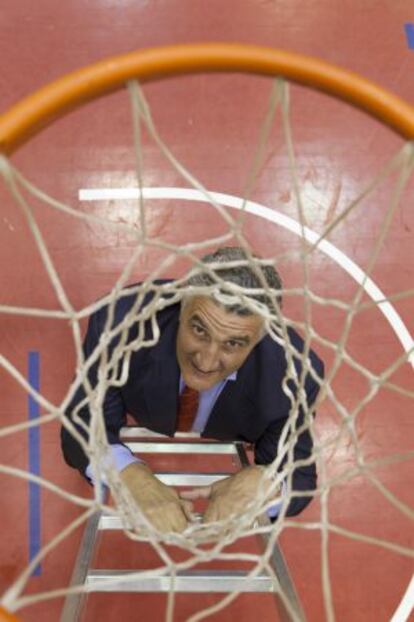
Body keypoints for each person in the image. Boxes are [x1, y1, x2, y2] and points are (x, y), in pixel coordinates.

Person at [61, 247, 324, 533]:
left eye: (233, 344)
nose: (206, 361)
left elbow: (298, 474)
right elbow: (81, 426)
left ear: (263, 336)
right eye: (199, 331)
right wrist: (130, 475)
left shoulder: (296, 373)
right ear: (181, 305)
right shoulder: (120, 323)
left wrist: (266, 483)